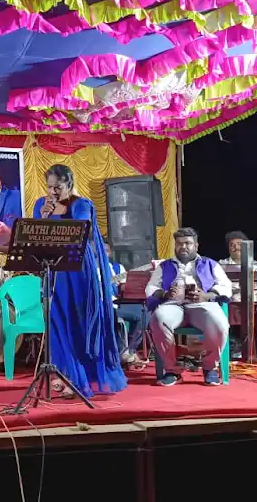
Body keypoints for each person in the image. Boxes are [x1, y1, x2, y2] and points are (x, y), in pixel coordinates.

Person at [32, 164, 126, 398]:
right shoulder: (40, 205)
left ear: (69, 184)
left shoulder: (81, 204)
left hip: (77, 271)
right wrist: (43, 217)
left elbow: (80, 230)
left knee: (78, 322)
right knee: (57, 323)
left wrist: (59, 212)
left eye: (58, 187)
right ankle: (65, 375)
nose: (52, 192)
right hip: (53, 270)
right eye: (49, 187)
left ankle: (82, 377)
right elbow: (34, 235)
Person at [146, 227, 232, 386]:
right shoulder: (164, 266)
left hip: (202, 304)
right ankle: (173, 370)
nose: (183, 247)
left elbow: (226, 286)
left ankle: (210, 368)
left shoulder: (210, 264)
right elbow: (150, 288)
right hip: (173, 305)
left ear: (196, 246)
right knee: (158, 318)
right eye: (179, 243)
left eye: (187, 243)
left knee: (219, 323)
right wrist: (165, 294)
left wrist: (206, 295)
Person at [104, 239, 146, 365]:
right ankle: (120, 353)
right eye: (100, 250)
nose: (103, 253)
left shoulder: (118, 268)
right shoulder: (88, 269)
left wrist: (122, 286)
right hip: (99, 307)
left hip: (118, 304)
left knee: (144, 312)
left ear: (110, 253)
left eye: (106, 251)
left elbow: (126, 288)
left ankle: (129, 351)